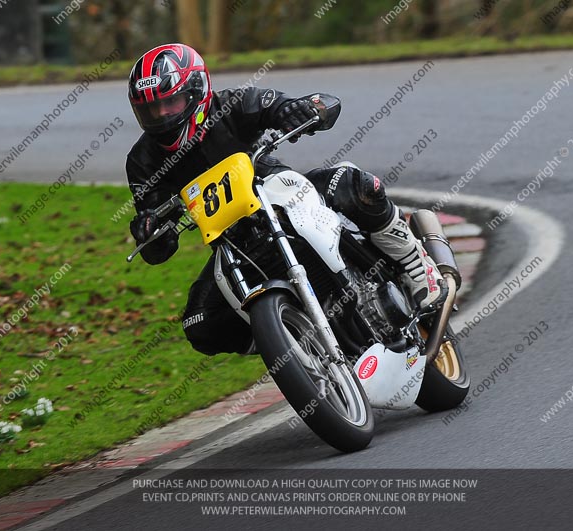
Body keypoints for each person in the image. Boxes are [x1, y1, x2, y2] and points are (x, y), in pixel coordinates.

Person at [126, 44, 442, 355]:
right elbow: (157, 246)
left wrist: (301, 110)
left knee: (354, 186)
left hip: (281, 193)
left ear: (198, 92)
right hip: (232, 243)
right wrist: (150, 229)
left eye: (171, 103)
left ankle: (415, 264)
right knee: (200, 324)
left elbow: (300, 106)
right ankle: (291, 344)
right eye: (152, 110)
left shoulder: (235, 104)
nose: (162, 116)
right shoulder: (142, 160)